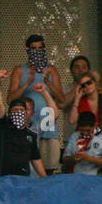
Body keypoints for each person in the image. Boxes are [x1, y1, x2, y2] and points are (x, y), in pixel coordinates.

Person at [7, 34, 65, 172]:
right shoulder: (20, 70)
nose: (37, 52)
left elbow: (62, 101)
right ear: (27, 50)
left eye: (40, 49)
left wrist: (47, 81)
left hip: (49, 126)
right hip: (27, 127)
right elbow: (10, 100)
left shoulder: (51, 70)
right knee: (28, 168)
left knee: (49, 169)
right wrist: (28, 81)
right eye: (33, 49)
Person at [0, 69, 44, 179]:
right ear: (9, 114)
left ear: (27, 113)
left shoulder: (31, 135)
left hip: (22, 182)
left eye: (21, 110)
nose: (18, 112)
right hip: (0, 180)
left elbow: (35, 159)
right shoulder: (2, 126)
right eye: (14, 110)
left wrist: (46, 179)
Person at [63, 110, 102, 175]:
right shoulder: (74, 136)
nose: (85, 133)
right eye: (82, 130)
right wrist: (73, 158)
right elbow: (65, 159)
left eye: (88, 130)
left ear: (95, 125)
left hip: (98, 177)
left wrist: (88, 158)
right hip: (77, 177)